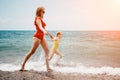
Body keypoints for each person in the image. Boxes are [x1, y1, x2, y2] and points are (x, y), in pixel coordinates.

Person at [20, 6, 52, 72]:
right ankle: (22, 64)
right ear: (39, 11)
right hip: (37, 37)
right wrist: (43, 31)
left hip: (42, 37)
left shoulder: (41, 19)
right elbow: (40, 27)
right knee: (32, 52)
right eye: (42, 11)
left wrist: (50, 35)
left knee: (47, 51)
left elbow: (44, 28)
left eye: (44, 12)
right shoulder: (37, 19)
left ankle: (48, 68)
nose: (44, 12)